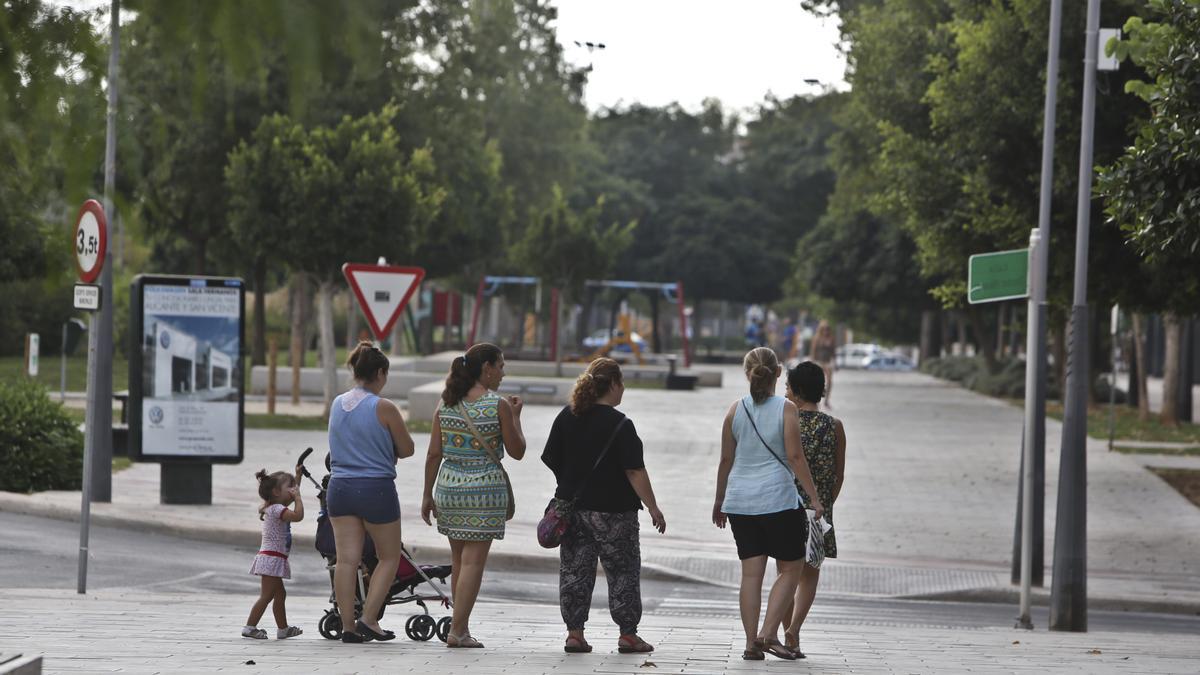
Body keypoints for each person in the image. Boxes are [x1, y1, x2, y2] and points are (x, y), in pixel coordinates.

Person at [542, 358, 667, 655]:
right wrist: (653, 507)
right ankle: (628, 634)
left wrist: (571, 483)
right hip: (616, 513)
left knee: (574, 571)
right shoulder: (621, 424)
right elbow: (634, 471)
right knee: (622, 571)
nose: (623, 389)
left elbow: (551, 458)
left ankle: (575, 634)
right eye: (621, 383)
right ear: (612, 384)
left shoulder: (566, 416)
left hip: (573, 511)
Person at [712, 347, 824, 661]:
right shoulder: (786, 409)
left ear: (747, 372)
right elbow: (795, 457)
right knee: (791, 568)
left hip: (740, 503)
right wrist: (814, 498)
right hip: (777, 500)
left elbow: (725, 459)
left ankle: (751, 644)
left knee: (751, 575)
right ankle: (769, 632)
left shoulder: (735, 410)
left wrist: (719, 501)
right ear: (777, 373)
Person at [421, 343, 526, 648]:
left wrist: (427, 495)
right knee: (473, 563)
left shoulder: (446, 404)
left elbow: (433, 454)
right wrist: (516, 416)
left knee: (458, 560)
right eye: (501, 366)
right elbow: (517, 451)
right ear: (487, 368)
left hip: (449, 487)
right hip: (483, 491)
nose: (503, 373)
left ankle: (460, 626)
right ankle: (457, 631)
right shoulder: (498, 405)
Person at [326, 341, 416, 643]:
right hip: (376, 489)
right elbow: (407, 448)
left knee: (346, 559)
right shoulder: (384, 407)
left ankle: (348, 627)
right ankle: (369, 619)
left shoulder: (337, 403)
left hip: (339, 488)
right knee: (388, 557)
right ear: (380, 372)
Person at [780, 361, 846, 657]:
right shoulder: (835, 427)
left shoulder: (785, 420)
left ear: (794, 390)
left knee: (785, 574)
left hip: (784, 506)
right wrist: (825, 501)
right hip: (819, 511)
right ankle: (794, 630)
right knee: (810, 573)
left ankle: (785, 634)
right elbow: (838, 475)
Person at [243, 466, 305, 640]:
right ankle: (249, 627)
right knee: (267, 595)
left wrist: (298, 476)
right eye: (290, 488)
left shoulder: (275, 506)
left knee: (280, 594)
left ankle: (283, 628)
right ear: (277, 492)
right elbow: (298, 515)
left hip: (273, 558)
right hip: (271, 559)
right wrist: (299, 498)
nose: (293, 491)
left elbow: (290, 498)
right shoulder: (277, 510)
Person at [809, 321, 837, 409]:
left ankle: (826, 400)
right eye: (824, 329)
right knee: (818, 381)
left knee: (829, 381)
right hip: (819, 361)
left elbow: (833, 352)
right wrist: (812, 362)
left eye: (827, 329)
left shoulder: (831, 338)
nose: (826, 331)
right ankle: (816, 400)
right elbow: (813, 351)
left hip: (827, 362)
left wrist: (835, 363)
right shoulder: (817, 338)